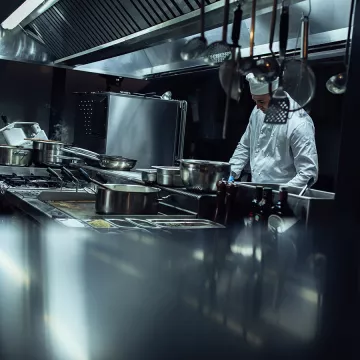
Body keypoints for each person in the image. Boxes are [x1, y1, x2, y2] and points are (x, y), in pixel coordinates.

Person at [229, 73, 318, 187]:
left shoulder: (299, 123)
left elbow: (308, 173)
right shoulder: (257, 112)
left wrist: (281, 192)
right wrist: (231, 172)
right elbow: (245, 146)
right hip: (256, 189)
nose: (257, 107)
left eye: (261, 101)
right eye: (255, 101)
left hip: (284, 195)